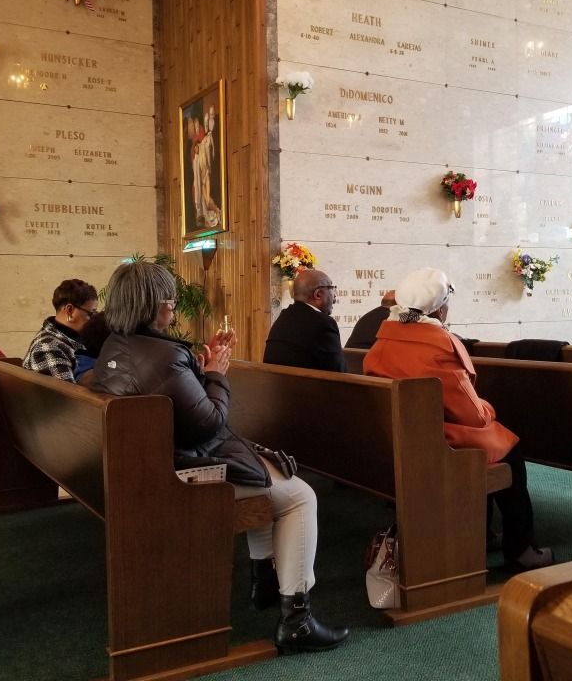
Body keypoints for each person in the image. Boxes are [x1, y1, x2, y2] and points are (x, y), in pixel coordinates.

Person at [90, 261, 349, 653]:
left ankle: (266, 582)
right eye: (169, 300)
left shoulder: (116, 344)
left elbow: (169, 395)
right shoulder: (164, 356)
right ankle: (297, 620)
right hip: (182, 474)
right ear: (152, 305)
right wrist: (215, 374)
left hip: (152, 462)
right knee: (299, 496)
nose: (173, 307)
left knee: (265, 471)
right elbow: (209, 424)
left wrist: (197, 368)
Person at [362, 267, 551, 572]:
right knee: (509, 449)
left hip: (399, 439)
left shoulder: (383, 342)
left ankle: (483, 534)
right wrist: (488, 410)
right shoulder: (437, 346)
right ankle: (521, 549)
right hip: (439, 444)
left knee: (489, 445)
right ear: (439, 309)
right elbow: (471, 416)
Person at [263, 269, 346, 372]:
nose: (335, 296)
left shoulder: (284, 316)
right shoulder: (323, 324)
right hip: (306, 383)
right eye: (332, 288)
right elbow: (339, 372)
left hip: (276, 382)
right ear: (318, 294)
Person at [23, 278, 99, 382]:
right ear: (70, 310)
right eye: (91, 314)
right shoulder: (47, 348)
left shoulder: (74, 337)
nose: (94, 319)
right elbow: (67, 392)